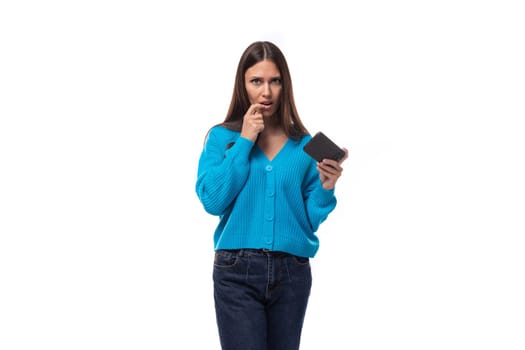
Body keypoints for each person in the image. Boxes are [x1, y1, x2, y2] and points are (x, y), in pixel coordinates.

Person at [195, 40, 348, 350]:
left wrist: (326, 187)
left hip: (292, 273)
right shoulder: (222, 138)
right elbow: (212, 200)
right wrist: (245, 141)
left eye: (274, 81)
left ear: (284, 85)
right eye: (256, 81)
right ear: (243, 85)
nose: (266, 92)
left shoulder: (303, 145)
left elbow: (308, 221)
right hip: (235, 272)